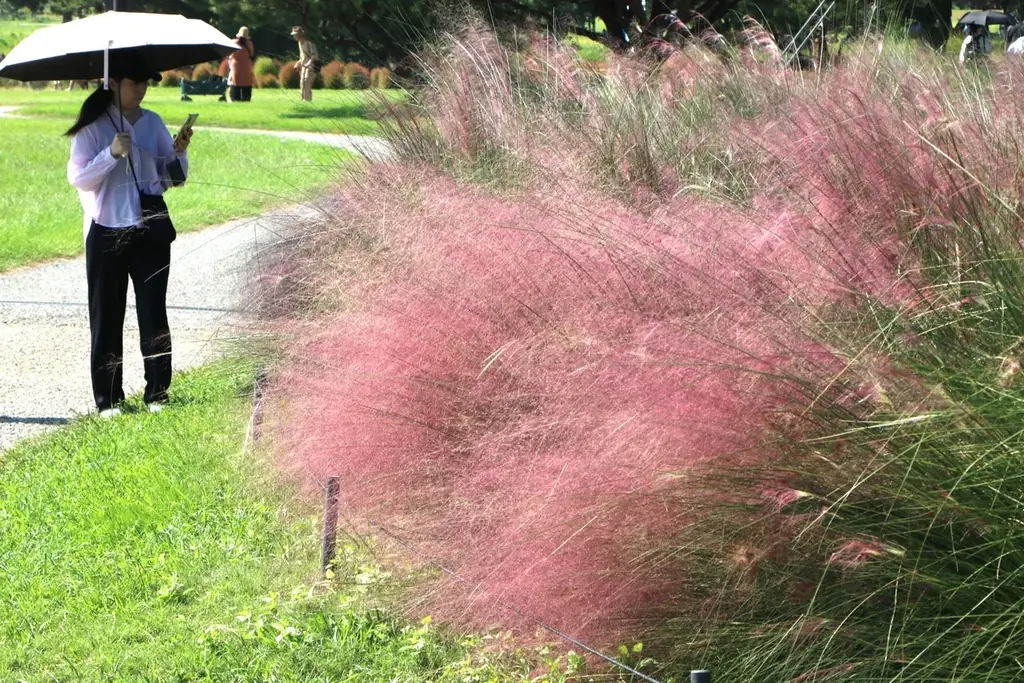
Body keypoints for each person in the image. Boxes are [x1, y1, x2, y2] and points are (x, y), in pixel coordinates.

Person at [65, 56, 193, 417]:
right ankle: (109, 399)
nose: (141, 89)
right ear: (113, 82)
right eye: (134, 82)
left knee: (154, 310)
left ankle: (157, 393)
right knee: (107, 315)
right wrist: (111, 153)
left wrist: (178, 152)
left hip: (149, 227)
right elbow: (79, 179)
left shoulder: (151, 122)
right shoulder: (92, 126)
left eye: (145, 83)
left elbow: (166, 180)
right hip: (106, 228)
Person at [291, 25, 318, 102]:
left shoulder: (309, 43)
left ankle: (307, 100)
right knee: (302, 82)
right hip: (303, 66)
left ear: (300, 34)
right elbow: (302, 56)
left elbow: (314, 55)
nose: (294, 36)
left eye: (295, 35)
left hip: (311, 66)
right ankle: (303, 99)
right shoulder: (299, 43)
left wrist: (309, 63)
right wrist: (298, 63)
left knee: (307, 82)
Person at [229, 26, 255, 102]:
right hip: (247, 68)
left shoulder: (233, 43)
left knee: (235, 86)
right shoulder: (250, 44)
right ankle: (246, 99)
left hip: (236, 68)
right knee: (246, 86)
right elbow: (251, 54)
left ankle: (235, 98)